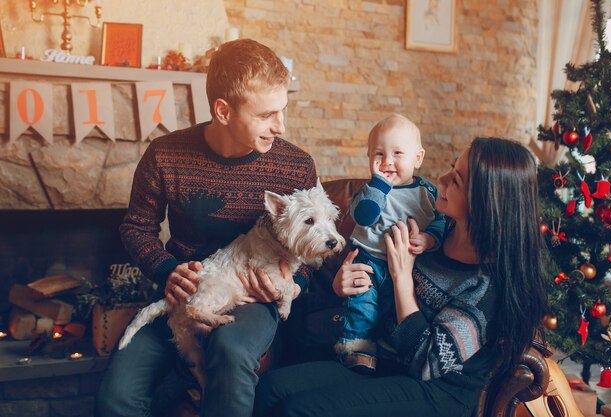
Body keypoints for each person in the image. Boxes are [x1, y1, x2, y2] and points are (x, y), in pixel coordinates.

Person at [95, 39, 317, 417]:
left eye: (282, 111)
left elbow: (314, 249)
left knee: (230, 351)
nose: (281, 126)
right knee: (116, 395)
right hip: (183, 295)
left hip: (252, 298)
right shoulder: (165, 154)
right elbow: (136, 227)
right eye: (266, 115)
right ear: (223, 110)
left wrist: (296, 285)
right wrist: (167, 271)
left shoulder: (296, 166)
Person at [254, 137, 548, 417]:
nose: (441, 180)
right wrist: (339, 287)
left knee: (297, 410)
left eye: (455, 179)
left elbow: (429, 363)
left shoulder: (485, 287)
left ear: (484, 202)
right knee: (269, 389)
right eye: (451, 168)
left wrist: (403, 278)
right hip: (384, 360)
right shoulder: (433, 232)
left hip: (437, 389)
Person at [335, 114, 445, 374]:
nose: (387, 162)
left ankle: (394, 349)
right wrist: (380, 186)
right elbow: (365, 216)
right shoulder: (368, 191)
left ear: (418, 158)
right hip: (368, 261)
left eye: (397, 153)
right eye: (379, 154)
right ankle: (357, 349)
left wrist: (429, 238)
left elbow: (441, 221)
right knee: (362, 304)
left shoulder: (427, 193)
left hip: (412, 266)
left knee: (396, 309)